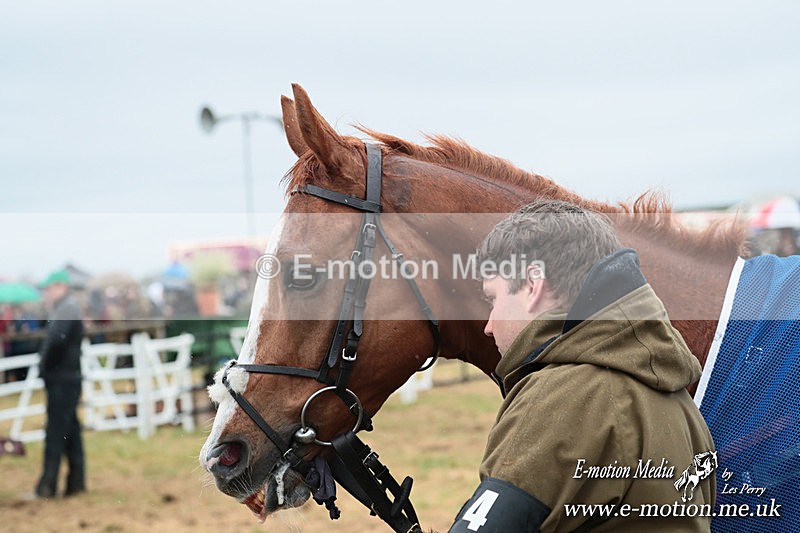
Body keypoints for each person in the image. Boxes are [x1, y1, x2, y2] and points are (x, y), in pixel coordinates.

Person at [449, 200, 716, 532]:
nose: (488, 325)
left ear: (533, 285)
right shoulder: (677, 399)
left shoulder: (562, 397)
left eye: (493, 298)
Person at [34, 269, 86, 498]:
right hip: (69, 377)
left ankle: (47, 485)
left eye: (49, 288)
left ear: (60, 287)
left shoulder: (66, 308)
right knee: (70, 432)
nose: (47, 293)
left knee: (55, 433)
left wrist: (44, 367)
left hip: (62, 379)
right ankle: (76, 482)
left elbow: (56, 341)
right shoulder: (68, 307)